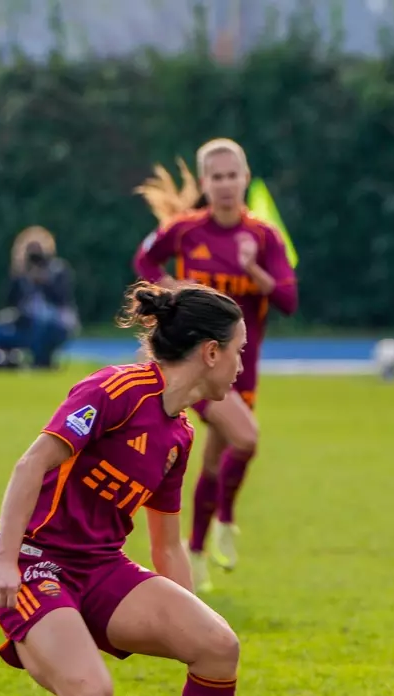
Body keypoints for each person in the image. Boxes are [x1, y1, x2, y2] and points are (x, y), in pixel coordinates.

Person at [0, 281, 254, 696]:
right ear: (210, 352)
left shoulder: (180, 435)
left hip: (100, 567)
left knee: (218, 645)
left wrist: (187, 618)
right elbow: (31, 465)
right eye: (238, 350)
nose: (242, 364)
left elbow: (166, 546)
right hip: (35, 562)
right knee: (89, 693)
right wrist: (6, 559)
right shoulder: (116, 391)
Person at [132, 139, 298, 591]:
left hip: (240, 371)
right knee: (246, 438)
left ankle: (198, 549)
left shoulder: (264, 238)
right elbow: (144, 258)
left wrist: (254, 271)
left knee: (213, 462)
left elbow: (288, 300)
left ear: (246, 178)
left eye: (232, 175)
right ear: (205, 183)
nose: (225, 184)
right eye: (217, 177)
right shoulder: (186, 230)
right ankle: (224, 519)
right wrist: (172, 287)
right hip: (196, 368)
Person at [0, 227, 80, 368]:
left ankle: (41, 362)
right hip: (24, 323)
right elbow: (9, 302)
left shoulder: (57, 270)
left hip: (54, 324)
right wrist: (18, 276)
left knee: (42, 320)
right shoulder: (21, 274)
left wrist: (45, 282)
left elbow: (63, 299)